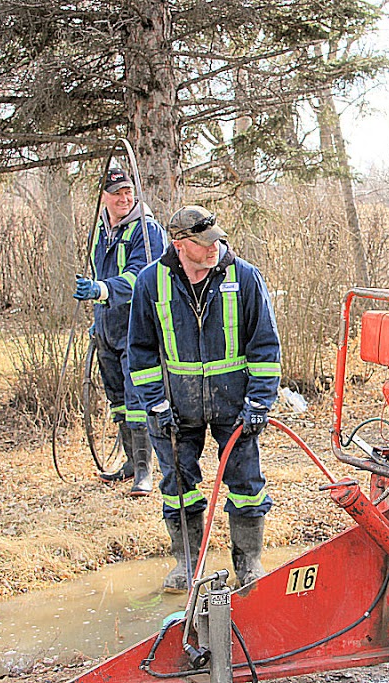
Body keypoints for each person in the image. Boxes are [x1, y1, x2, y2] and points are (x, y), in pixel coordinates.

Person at [127, 205, 281, 592]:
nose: (214, 248)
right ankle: (187, 564)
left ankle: (249, 565)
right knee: (179, 486)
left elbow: (265, 345)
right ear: (179, 245)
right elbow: (140, 351)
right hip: (176, 407)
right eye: (203, 243)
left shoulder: (243, 277)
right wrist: (156, 403)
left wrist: (260, 402)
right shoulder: (151, 283)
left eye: (216, 239)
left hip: (235, 404)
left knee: (247, 486)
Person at [74, 168, 166, 496]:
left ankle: (145, 471)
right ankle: (130, 463)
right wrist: (97, 316)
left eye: (128, 192)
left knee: (138, 396)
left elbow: (141, 278)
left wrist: (99, 289)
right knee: (118, 399)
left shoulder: (146, 229)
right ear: (103, 197)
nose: (124, 199)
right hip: (107, 325)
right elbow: (100, 269)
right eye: (117, 194)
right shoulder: (99, 231)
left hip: (137, 326)